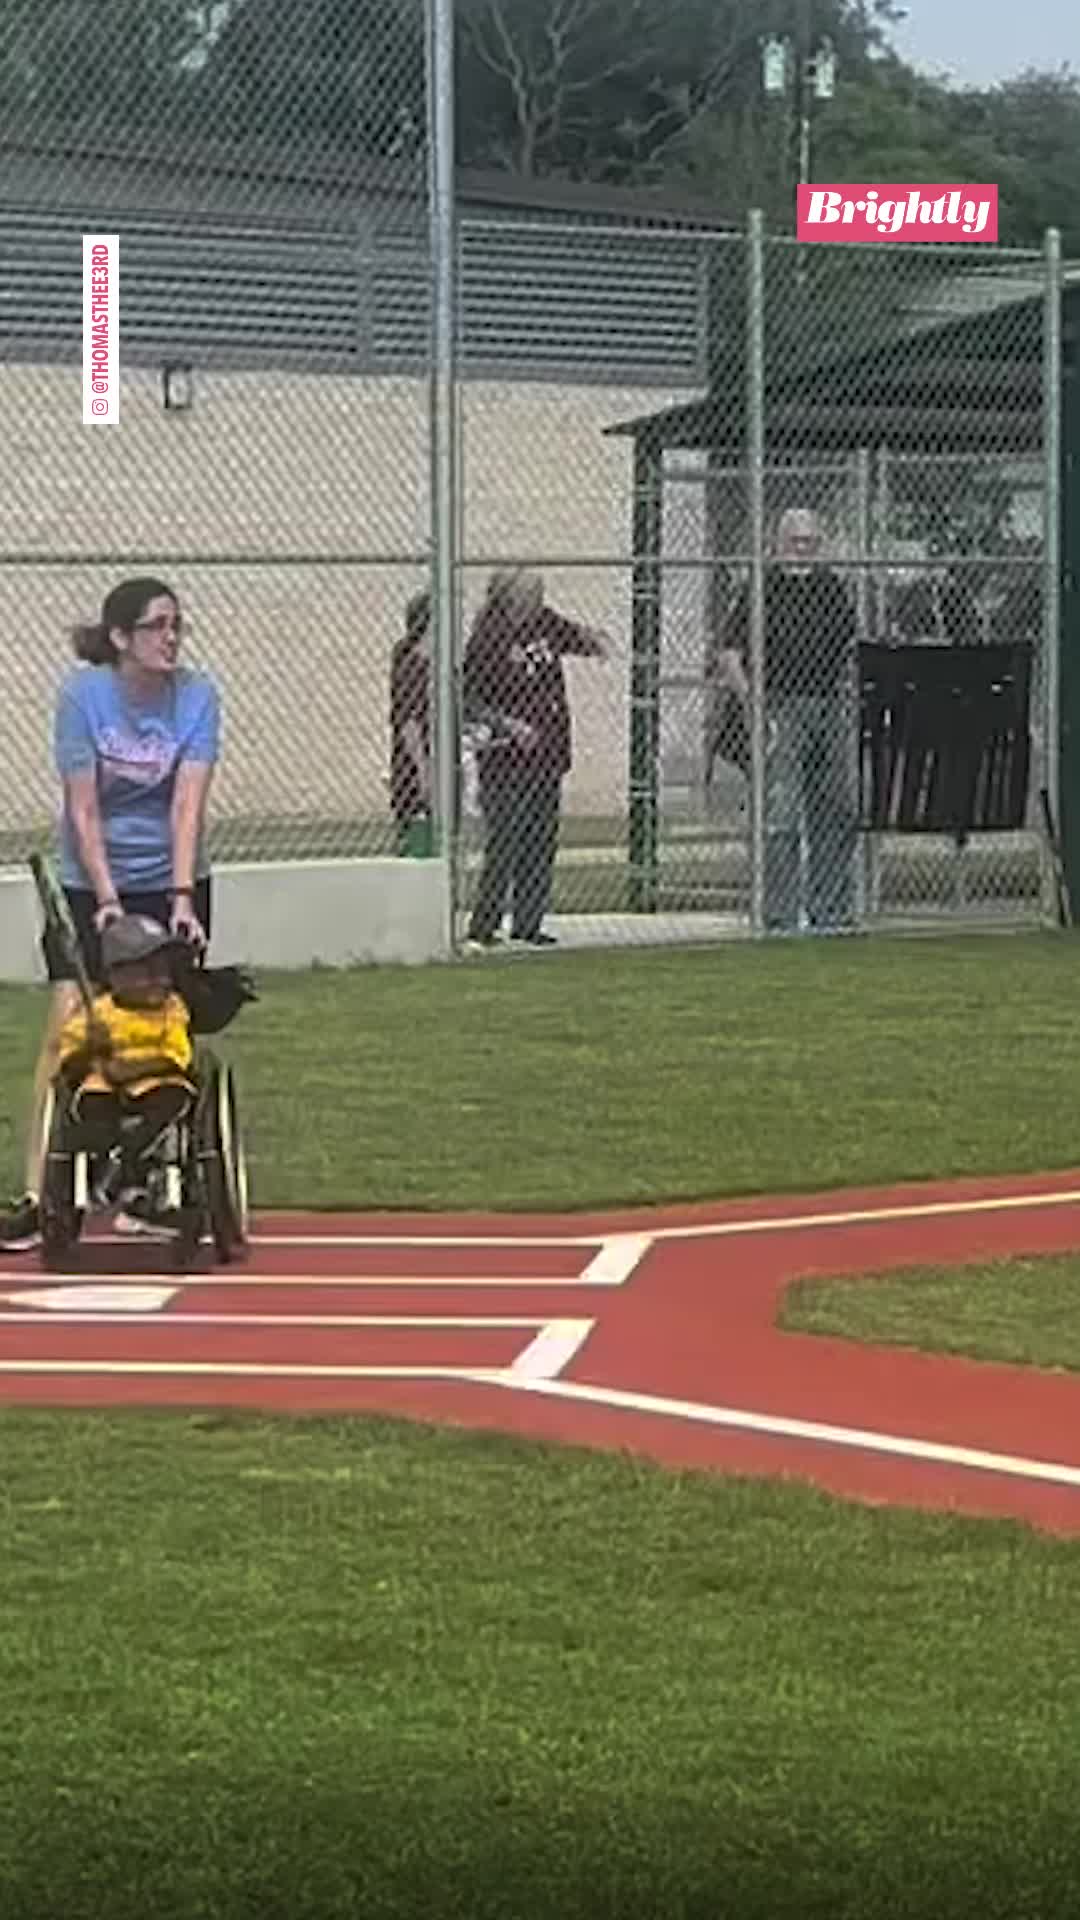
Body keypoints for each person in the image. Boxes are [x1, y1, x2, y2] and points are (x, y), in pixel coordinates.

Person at [0, 575, 221, 1250]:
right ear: (121, 637)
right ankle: (43, 1193)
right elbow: (83, 807)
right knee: (72, 1022)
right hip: (90, 880)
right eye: (157, 626)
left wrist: (181, 897)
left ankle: (151, 1182)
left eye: (177, 625)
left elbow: (188, 804)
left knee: (165, 1025)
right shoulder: (83, 697)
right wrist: (106, 901)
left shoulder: (199, 696)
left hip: (169, 877)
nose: (172, 638)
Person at [725, 508, 859, 935]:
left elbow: (850, 646)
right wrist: (752, 703)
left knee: (836, 809)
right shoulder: (761, 587)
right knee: (780, 812)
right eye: (796, 541)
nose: (804, 548)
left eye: (810, 541)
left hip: (828, 706)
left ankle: (829, 910)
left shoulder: (831, 587)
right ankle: (779, 914)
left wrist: (849, 696)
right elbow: (729, 653)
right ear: (779, 541)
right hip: (779, 707)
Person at [462, 568, 608, 950]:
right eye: (530, 596)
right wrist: (509, 725)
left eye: (540, 596)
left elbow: (574, 637)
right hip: (507, 761)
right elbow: (470, 700)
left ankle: (529, 923)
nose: (537, 603)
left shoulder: (544, 622)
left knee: (540, 840)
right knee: (506, 840)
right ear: (511, 598)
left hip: (548, 754)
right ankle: (484, 925)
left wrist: (594, 641)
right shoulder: (488, 639)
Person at [55, 914, 197, 1229]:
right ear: (117, 976)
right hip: (103, 1086)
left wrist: (129, 1069)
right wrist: (89, 1049)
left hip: (156, 1084)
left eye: (163, 969)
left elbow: (175, 1056)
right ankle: (103, 1169)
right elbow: (67, 1059)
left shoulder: (172, 1009)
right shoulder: (98, 1014)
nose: (160, 978)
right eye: (147, 970)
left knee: (172, 1102)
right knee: (89, 1106)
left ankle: (127, 1174)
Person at [389, 589, 433, 854]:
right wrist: (424, 771)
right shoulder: (413, 664)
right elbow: (408, 723)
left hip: (440, 765)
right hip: (417, 770)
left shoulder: (439, 663)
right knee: (418, 846)